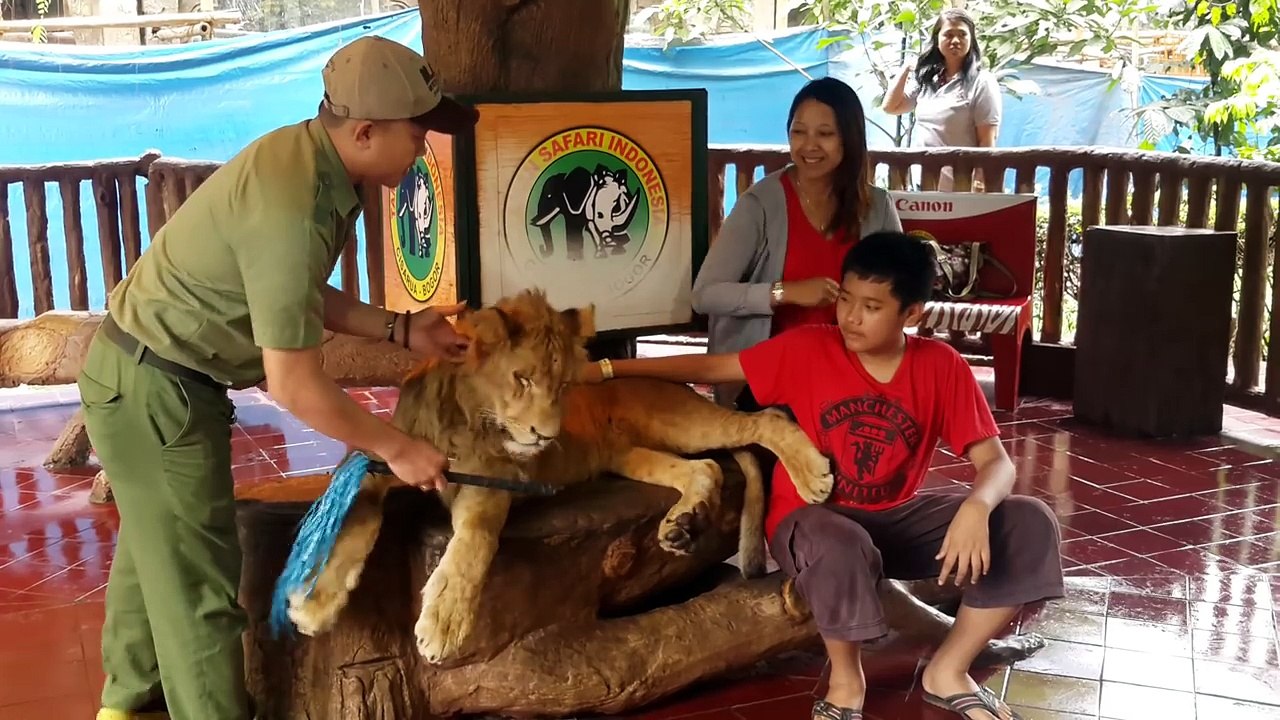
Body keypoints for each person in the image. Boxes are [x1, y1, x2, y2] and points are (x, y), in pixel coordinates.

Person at [78, 36, 479, 720]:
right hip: (159, 389)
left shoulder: (313, 163)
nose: (423, 149)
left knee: (158, 554)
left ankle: (125, 703)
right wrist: (395, 446)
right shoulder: (292, 199)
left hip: (139, 373)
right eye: (417, 134)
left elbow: (289, 291)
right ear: (364, 131)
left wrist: (403, 328)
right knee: (200, 599)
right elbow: (292, 384)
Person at [579, 232, 1063, 720]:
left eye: (871, 306)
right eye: (847, 300)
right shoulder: (809, 348)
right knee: (838, 537)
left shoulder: (942, 367)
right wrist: (604, 370)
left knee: (1028, 522)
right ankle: (846, 681)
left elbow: (997, 462)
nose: (850, 317)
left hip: (893, 520)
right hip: (809, 521)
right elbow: (715, 365)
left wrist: (977, 508)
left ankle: (948, 671)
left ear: (911, 314)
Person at [691, 77, 902, 409]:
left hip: (853, 374)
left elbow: (901, 292)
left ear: (850, 138)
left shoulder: (877, 207)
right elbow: (705, 295)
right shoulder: (759, 204)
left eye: (825, 134)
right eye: (798, 132)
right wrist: (784, 291)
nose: (809, 145)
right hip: (767, 380)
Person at [882, 8, 1002, 191]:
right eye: (948, 34)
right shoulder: (928, 80)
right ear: (937, 39)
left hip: (960, 187)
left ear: (971, 40)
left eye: (962, 34)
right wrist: (906, 68)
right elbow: (891, 107)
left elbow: (987, 140)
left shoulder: (982, 82)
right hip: (923, 182)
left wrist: (980, 183)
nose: (956, 40)